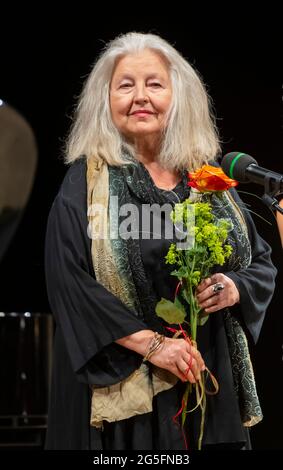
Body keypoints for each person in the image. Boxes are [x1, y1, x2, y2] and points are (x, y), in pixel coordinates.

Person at [44, 32, 277, 450]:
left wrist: (234, 287)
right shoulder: (86, 181)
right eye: (125, 85)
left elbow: (260, 263)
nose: (140, 97)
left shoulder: (210, 181)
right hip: (122, 387)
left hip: (205, 380)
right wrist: (153, 346)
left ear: (178, 97)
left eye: (154, 84)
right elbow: (68, 281)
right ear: (106, 100)